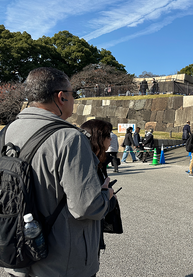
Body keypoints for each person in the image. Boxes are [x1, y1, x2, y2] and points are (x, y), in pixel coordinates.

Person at [3, 67, 113, 277]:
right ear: (61, 97)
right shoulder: (69, 138)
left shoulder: (6, 132)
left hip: (16, 254)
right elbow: (85, 207)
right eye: (73, 94)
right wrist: (106, 196)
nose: (74, 100)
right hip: (61, 263)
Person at [80, 119, 119, 256]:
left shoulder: (94, 160)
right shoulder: (87, 165)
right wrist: (107, 196)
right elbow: (89, 207)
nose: (110, 139)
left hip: (90, 234)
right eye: (108, 135)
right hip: (84, 237)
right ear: (98, 138)